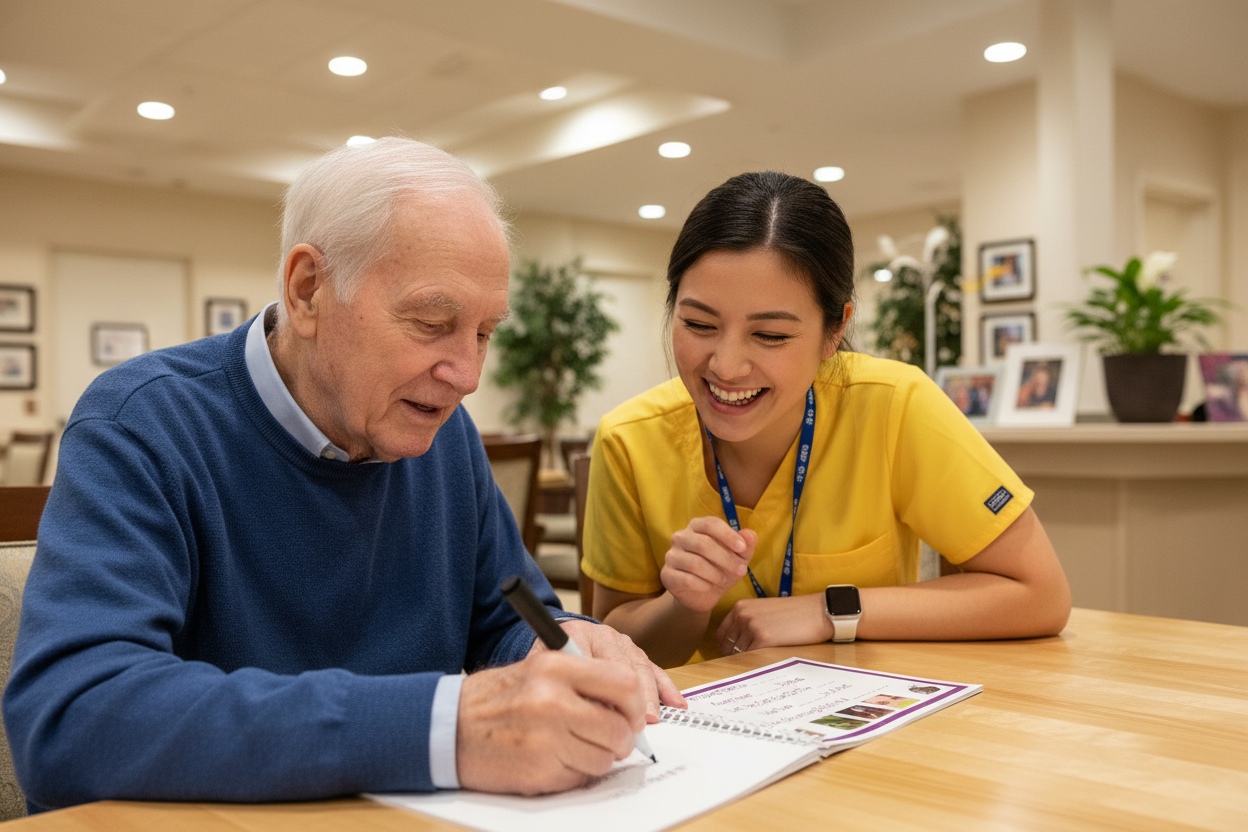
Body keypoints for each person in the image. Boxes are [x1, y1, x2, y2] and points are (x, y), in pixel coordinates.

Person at [3, 137, 682, 812]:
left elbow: (505, 618)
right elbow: (72, 720)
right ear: (307, 291)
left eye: (483, 333)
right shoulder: (144, 423)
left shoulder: (444, 436)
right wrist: (442, 728)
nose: (468, 376)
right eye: (432, 322)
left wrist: (556, 640)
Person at [581, 171, 1071, 669]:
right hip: (697, 712)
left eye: (770, 335)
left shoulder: (893, 405)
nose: (726, 366)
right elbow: (612, 641)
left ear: (834, 330)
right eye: (699, 324)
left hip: (869, 703)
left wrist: (829, 611)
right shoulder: (629, 439)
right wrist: (684, 604)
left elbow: (1041, 594)